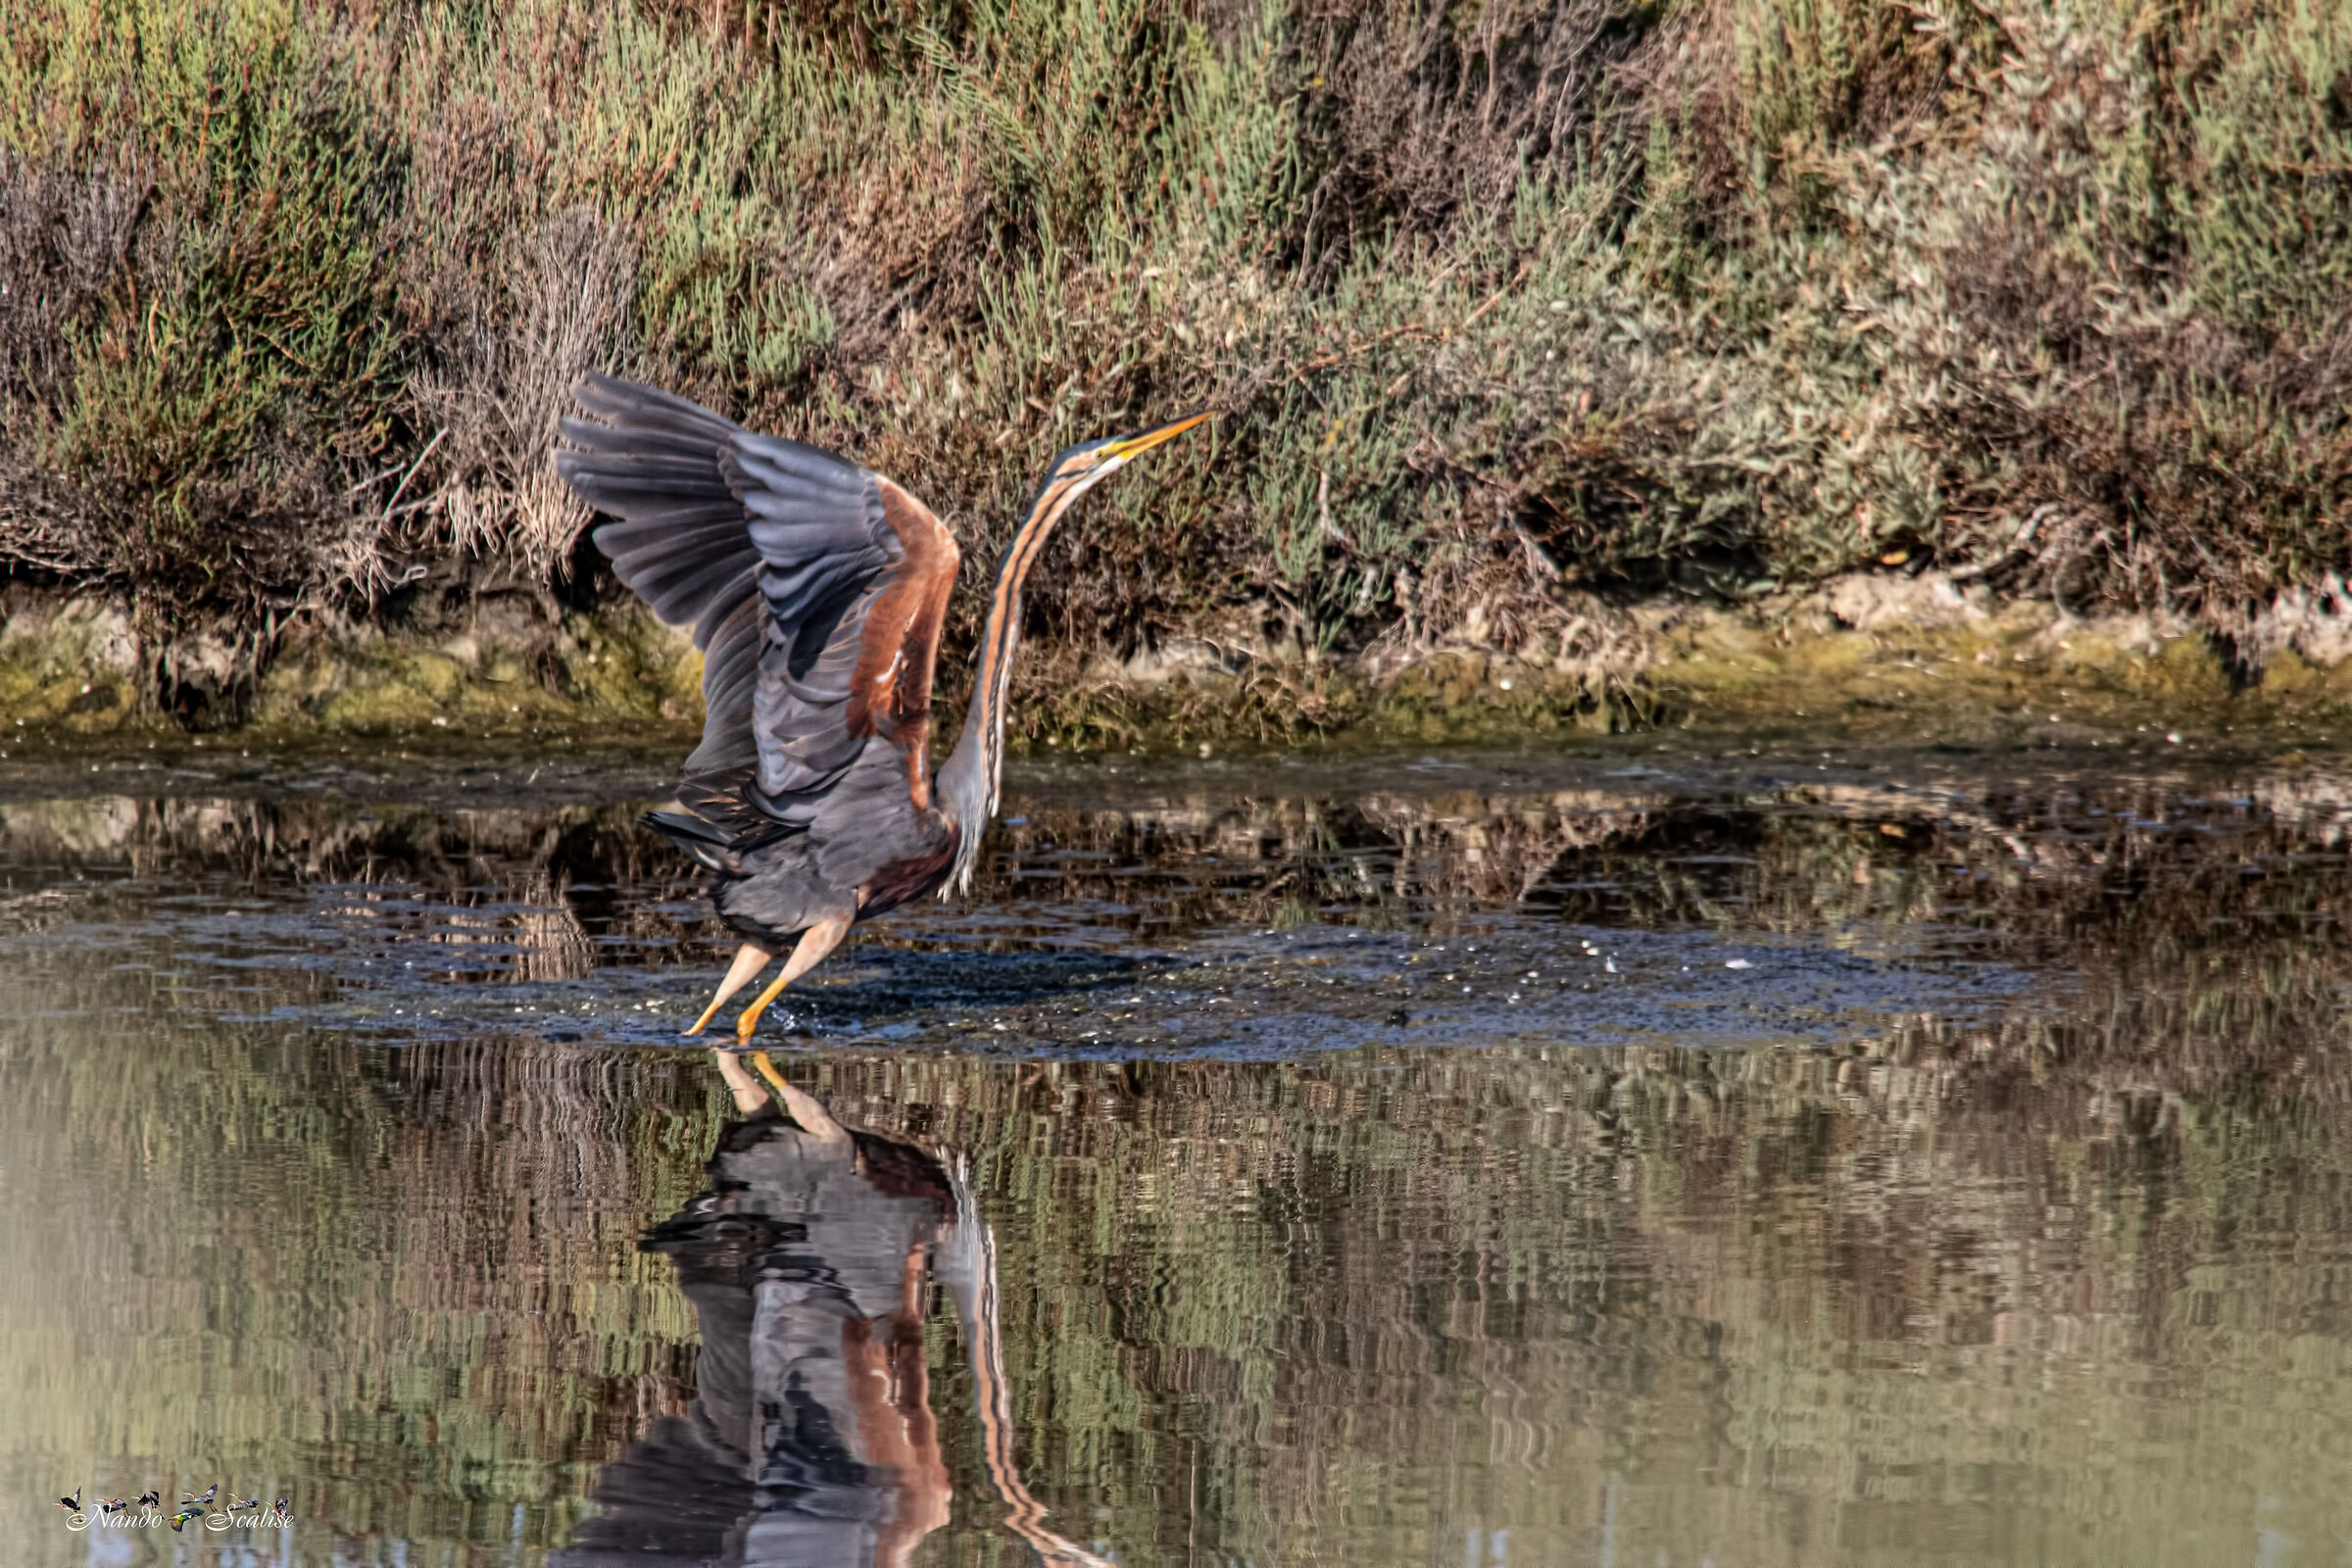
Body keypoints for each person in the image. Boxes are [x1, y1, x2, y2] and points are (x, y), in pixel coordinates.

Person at [553, 1053, 1104, 1568]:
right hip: (739, 1275)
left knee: (808, 1285)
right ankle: (745, 1093)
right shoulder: (893, 1515)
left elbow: (891, 1349)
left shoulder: (905, 1511)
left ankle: (767, 1121)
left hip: (800, 1274)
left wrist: (909, 1260)